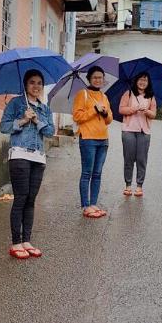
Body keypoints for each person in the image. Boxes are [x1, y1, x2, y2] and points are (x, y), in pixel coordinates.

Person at [0, 69, 55, 259]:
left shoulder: (45, 109)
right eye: (32, 82)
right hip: (20, 155)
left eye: (39, 83)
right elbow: (3, 126)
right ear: (25, 85)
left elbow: (49, 132)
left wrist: (37, 120)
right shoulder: (16, 103)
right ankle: (16, 242)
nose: (36, 86)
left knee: (31, 200)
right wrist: (23, 120)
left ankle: (26, 240)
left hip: (38, 158)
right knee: (21, 198)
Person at [72, 65, 113, 218]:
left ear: (103, 80)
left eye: (100, 78)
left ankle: (94, 203)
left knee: (97, 174)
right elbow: (77, 116)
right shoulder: (83, 94)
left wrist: (105, 112)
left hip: (103, 139)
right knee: (87, 173)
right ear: (89, 79)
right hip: (88, 138)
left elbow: (109, 120)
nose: (97, 80)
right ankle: (85, 205)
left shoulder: (104, 97)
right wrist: (94, 110)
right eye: (95, 77)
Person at [118, 71, 157, 197]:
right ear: (136, 81)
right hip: (128, 130)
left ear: (148, 82)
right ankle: (128, 185)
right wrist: (134, 109)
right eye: (140, 79)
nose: (142, 82)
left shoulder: (151, 96)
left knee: (142, 160)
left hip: (144, 132)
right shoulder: (128, 93)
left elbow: (154, 114)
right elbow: (121, 109)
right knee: (128, 159)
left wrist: (146, 111)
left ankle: (139, 186)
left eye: (145, 80)